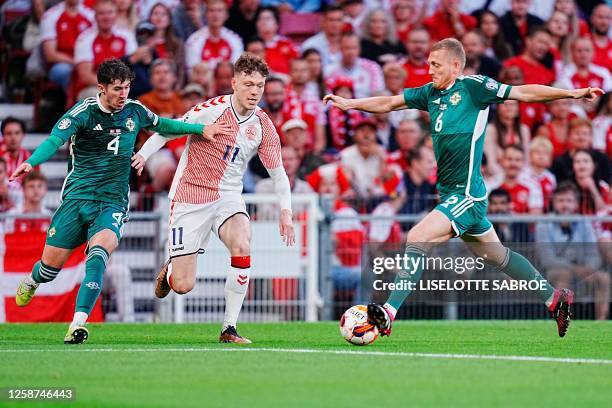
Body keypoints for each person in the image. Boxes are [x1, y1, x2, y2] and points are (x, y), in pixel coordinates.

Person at [324, 37, 604, 338]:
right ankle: (554, 299)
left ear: (456, 66)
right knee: (497, 256)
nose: (429, 70)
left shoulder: (473, 87)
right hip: (452, 195)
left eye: (436, 64)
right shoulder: (430, 94)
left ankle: (389, 313)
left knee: (418, 236)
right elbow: (390, 103)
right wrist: (351, 104)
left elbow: (522, 93)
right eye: (429, 63)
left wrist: (571, 94)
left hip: (467, 194)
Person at [11, 59, 219, 344]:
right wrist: (31, 163)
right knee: (49, 270)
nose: (123, 94)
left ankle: (77, 324)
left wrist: (198, 130)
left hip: (112, 202)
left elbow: (163, 125)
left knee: (97, 256)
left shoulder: (134, 110)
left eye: (127, 88)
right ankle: (34, 280)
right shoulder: (83, 112)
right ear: (102, 88)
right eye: (118, 89)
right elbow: (54, 140)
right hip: (77, 200)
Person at [133, 54, 296, 344]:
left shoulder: (263, 125)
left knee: (243, 241)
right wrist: (143, 156)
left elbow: (278, 173)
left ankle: (228, 328)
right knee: (183, 285)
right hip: (190, 195)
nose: (255, 91)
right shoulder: (211, 110)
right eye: (248, 84)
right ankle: (170, 271)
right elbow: (169, 129)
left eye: (259, 85)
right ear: (234, 83)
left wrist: (286, 211)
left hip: (229, 197)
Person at [536, 182, 609, 320]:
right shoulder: (543, 225)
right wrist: (575, 269)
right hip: (555, 270)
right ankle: (562, 321)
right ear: (554, 203)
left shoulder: (584, 222)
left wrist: (589, 268)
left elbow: (593, 253)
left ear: (576, 204)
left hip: (584, 269)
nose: (565, 205)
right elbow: (547, 259)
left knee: (603, 278)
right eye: (560, 200)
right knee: (564, 275)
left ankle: (601, 322)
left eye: (569, 201)